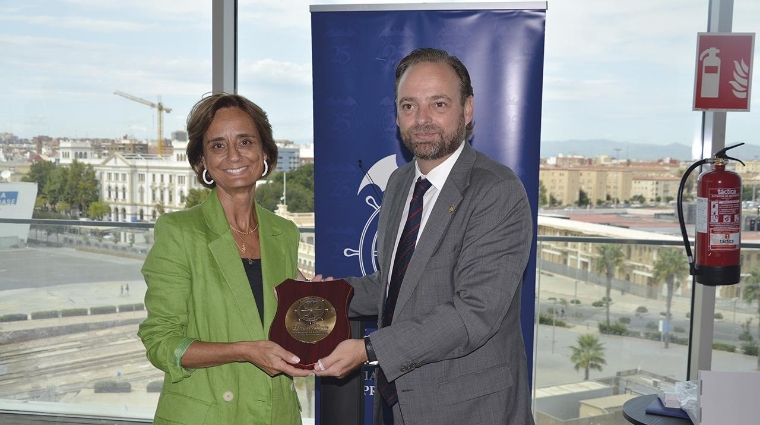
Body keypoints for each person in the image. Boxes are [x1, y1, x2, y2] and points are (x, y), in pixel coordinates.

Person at [314, 48, 536, 425]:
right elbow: (395, 284)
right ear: (397, 115)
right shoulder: (401, 182)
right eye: (409, 105)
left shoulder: (497, 190)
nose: (422, 120)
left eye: (439, 103)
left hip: (471, 409)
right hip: (398, 401)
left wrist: (369, 348)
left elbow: (474, 313)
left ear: (467, 111)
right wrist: (329, 296)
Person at [138, 93, 313, 425]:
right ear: (203, 160)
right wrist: (243, 350)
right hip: (207, 415)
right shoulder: (178, 232)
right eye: (218, 145)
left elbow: (283, 334)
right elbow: (161, 343)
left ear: (265, 153)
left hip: (276, 414)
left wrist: (309, 309)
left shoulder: (284, 233)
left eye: (245, 141)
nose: (233, 154)